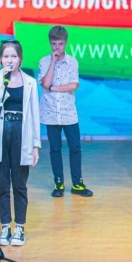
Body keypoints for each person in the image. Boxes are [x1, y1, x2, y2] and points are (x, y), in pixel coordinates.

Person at [0, 40, 41, 246]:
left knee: (19, 183)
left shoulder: (30, 82)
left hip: (21, 133)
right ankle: (5, 226)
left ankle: (20, 228)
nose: (10, 60)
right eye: (6, 56)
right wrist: (3, 82)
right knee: (2, 184)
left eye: (14, 56)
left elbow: (34, 114)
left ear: (20, 58)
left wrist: (35, 145)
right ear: (0, 59)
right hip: (0, 132)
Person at [38, 26, 92, 197]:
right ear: (50, 43)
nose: (57, 47)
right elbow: (45, 83)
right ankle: (58, 183)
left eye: (60, 44)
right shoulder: (44, 62)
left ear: (66, 43)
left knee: (75, 147)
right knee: (55, 149)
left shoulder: (72, 62)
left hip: (68, 112)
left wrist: (53, 88)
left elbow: (73, 85)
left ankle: (77, 184)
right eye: (54, 44)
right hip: (50, 111)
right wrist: (53, 63)